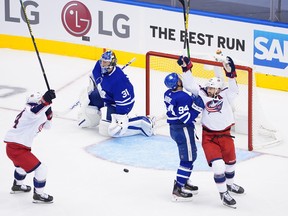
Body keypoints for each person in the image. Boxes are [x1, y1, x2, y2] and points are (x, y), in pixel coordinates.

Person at [177, 54, 245, 208]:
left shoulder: (226, 94)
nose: (210, 90)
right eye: (209, 87)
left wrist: (231, 74)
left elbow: (234, 89)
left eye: (213, 88)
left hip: (226, 135)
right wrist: (185, 69)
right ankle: (223, 194)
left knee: (231, 164)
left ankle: (230, 185)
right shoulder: (202, 94)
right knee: (218, 166)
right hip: (209, 137)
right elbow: (190, 85)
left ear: (219, 89)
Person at [77, 50, 154, 137]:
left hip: (121, 104)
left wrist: (118, 118)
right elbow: (94, 76)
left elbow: (125, 102)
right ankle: (99, 116)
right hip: (106, 96)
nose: (102, 64)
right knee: (87, 102)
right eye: (102, 61)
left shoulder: (118, 81)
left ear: (111, 64)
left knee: (108, 129)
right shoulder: (99, 65)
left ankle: (141, 123)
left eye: (105, 62)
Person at [4, 90, 56, 203]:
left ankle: (17, 186)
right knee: (41, 169)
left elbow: (47, 126)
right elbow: (34, 111)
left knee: (22, 167)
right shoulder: (29, 110)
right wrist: (46, 101)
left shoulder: (37, 114)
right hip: (17, 148)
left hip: (14, 147)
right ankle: (39, 195)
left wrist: (49, 113)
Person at [163, 72, 204, 201]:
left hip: (174, 129)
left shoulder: (168, 94)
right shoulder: (182, 97)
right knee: (187, 158)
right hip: (183, 129)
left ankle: (184, 180)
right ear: (178, 83)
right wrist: (197, 107)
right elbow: (186, 118)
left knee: (192, 155)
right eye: (179, 79)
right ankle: (178, 189)